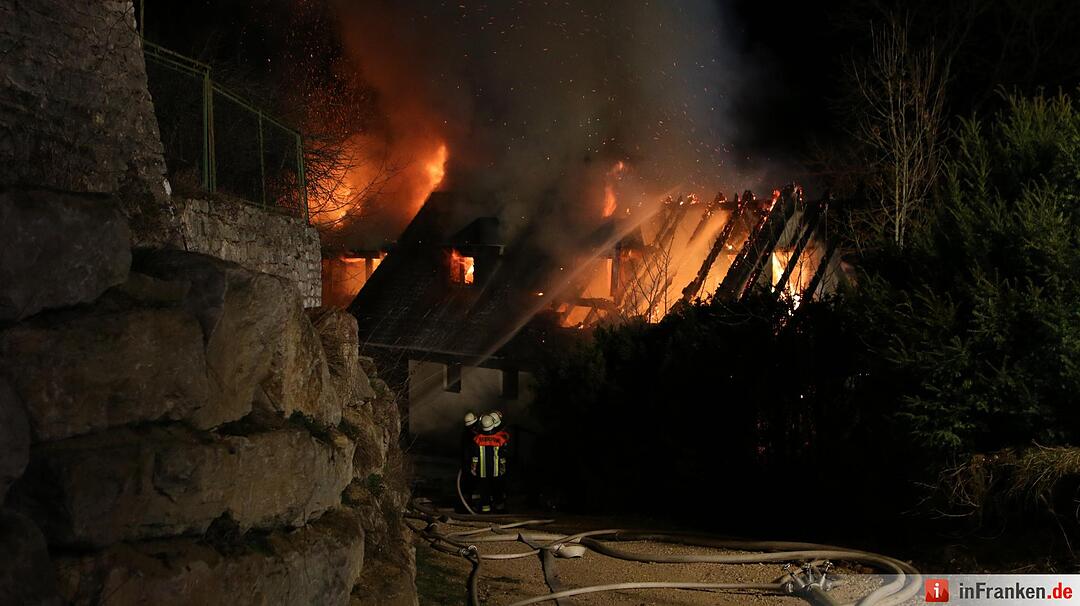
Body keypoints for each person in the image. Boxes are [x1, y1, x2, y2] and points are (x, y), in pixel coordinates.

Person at [470, 412, 511, 513]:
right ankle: (500, 510)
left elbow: (475, 457)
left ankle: (486, 511)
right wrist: (503, 469)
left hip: (482, 472)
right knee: (498, 491)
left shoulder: (477, 439)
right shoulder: (500, 439)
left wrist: (473, 468)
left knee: (484, 493)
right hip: (496, 472)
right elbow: (502, 457)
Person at [459, 411, 479, 512]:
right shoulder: (473, 435)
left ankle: (466, 505)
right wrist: (474, 466)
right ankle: (470, 506)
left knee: (466, 486)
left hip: (466, 463)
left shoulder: (465, 434)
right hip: (471, 464)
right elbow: (474, 452)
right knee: (472, 486)